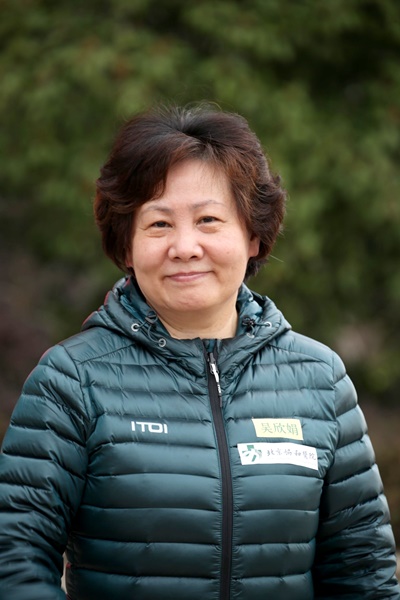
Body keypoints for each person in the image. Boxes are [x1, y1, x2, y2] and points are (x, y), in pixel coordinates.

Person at [0, 104, 398, 600]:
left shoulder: (320, 380)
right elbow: (13, 560)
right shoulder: (71, 380)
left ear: (253, 236)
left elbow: (364, 575)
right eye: (159, 224)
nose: (185, 247)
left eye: (208, 220)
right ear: (127, 246)